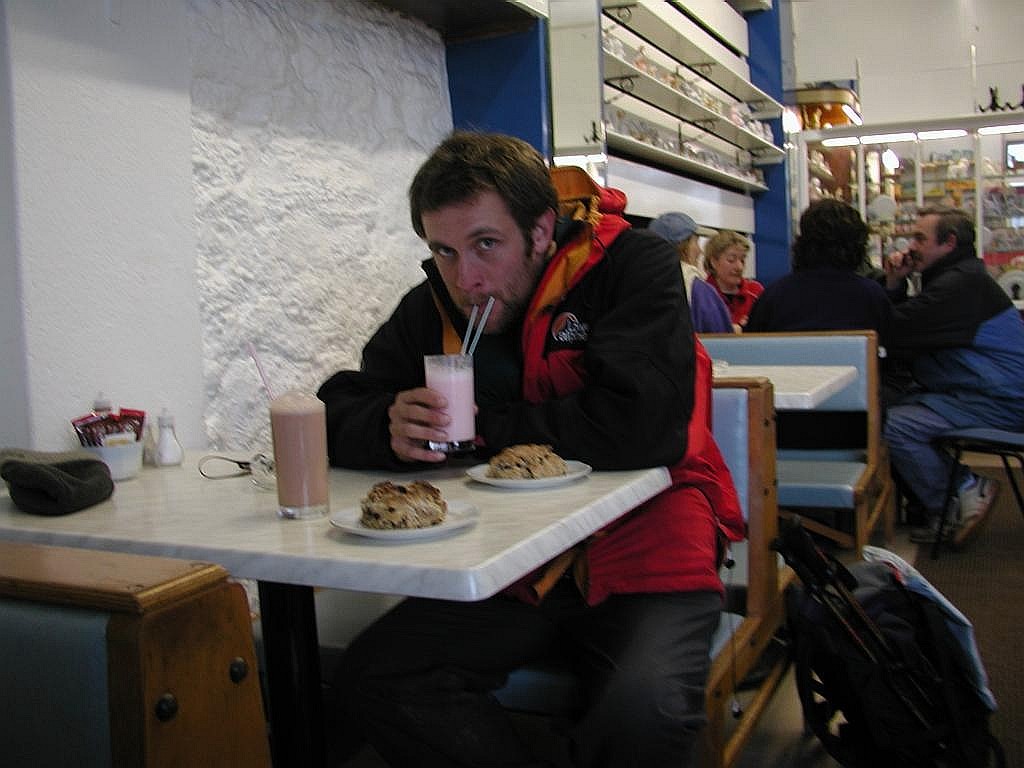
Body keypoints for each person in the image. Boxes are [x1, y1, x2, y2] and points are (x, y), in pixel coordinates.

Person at [317, 131, 744, 768]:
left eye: (486, 244)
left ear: (542, 229)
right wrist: (386, 423)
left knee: (643, 712)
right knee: (378, 674)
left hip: (650, 535)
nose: (466, 277)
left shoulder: (632, 268)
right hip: (513, 557)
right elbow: (337, 405)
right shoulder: (434, 302)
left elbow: (642, 427)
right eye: (443, 250)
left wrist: (485, 427)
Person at [882, 204, 1024, 544]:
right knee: (898, 406)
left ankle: (964, 490)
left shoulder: (960, 286)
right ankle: (941, 501)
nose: (911, 246)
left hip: (1003, 402)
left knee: (896, 424)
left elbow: (897, 329)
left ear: (948, 242)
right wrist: (893, 282)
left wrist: (890, 287)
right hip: (985, 393)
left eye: (919, 238)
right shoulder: (960, 278)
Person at [745, 198, 892, 340]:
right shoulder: (871, 296)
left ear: (803, 242)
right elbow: (889, 353)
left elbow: (752, 352)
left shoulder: (773, 297)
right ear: (857, 244)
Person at [648, 212, 733, 333]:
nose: (700, 251)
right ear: (683, 246)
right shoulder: (699, 290)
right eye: (695, 242)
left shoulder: (634, 284)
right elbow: (722, 342)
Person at [703, 230, 763, 331]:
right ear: (713, 262)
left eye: (742, 260)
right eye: (731, 260)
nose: (739, 267)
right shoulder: (701, 296)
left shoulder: (756, 292)